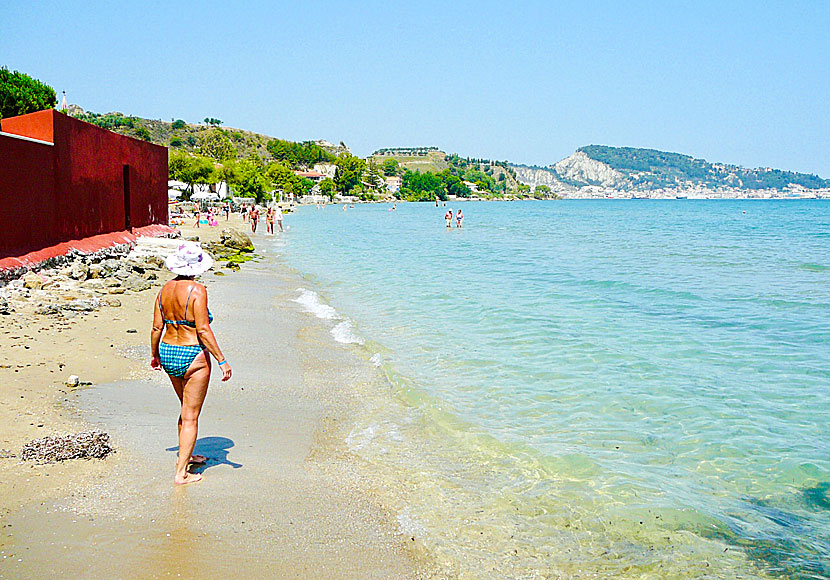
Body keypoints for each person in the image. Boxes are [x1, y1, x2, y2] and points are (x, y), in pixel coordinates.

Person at [151, 242, 232, 485]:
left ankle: (185, 457)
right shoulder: (197, 290)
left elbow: (157, 327)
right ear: (197, 266)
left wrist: (154, 354)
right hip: (192, 354)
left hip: (167, 351)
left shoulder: (164, 289)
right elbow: (203, 329)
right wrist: (222, 360)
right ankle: (181, 474)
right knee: (191, 416)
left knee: (186, 410)